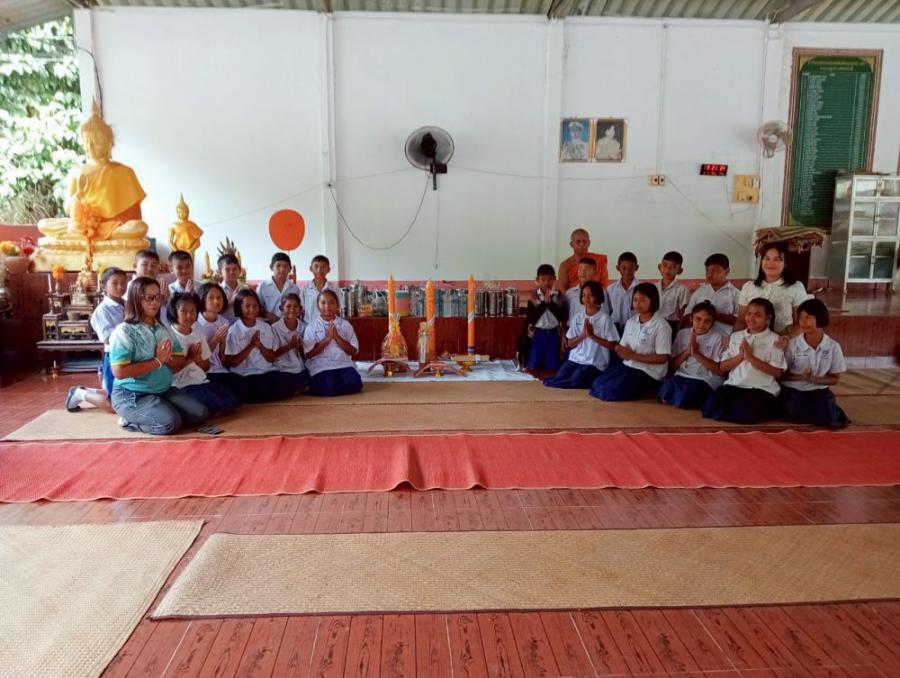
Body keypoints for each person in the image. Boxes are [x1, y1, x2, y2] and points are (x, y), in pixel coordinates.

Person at [108, 276, 209, 435]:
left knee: (200, 414)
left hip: (163, 390)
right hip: (132, 394)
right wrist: (157, 361)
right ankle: (129, 420)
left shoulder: (163, 329)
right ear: (136, 299)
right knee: (169, 424)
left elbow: (178, 359)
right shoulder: (124, 331)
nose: (155, 302)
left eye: (158, 297)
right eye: (149, 298)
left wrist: (169, 359)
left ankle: (161, 410)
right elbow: (119, 372)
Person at [701, 298, 786, 424]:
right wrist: (740, 357)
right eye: (749, 313)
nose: (751, 318)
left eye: (758, 315)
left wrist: (751, 358)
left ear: (767, 318)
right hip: (734, 385)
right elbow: (723, 367)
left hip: (761, 388)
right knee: (709, 408)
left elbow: (777, 372)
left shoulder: (776, 340)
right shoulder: (736, 337)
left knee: (745, 411)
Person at [590, 282, 671, 401]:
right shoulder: (631, 322)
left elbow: (663, 358)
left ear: (653, 301)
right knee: (597, 384)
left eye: (642, 300)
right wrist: (619, 349)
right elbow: (622, 348)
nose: (637, 303)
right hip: (629, 366)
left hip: (648, 372)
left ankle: (652, 388)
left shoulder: (661, 325)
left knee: (611, 391)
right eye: (635, 299)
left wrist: (632, 355)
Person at [166, 293, 240, 418]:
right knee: (214, 406)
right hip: (181, 384)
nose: (189, 315)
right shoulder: (168, 335)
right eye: (184, 311)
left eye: (193, 311)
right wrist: (190, 359)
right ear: (174, 311)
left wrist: (198, 360)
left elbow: (206, 366)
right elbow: (170, 371)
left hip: (201, 380)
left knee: (232, 400)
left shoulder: (197, 333)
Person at [779, 298, 850, 428]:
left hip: (819, 389)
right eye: (801, 318)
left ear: (820, 319)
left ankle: (829, 410)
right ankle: (825, 409)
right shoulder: (793, 344)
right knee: (794, 412)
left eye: (808, 317)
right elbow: (781, 375)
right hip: (794, 389)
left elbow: (835, 378)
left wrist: (814, 379)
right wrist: (801, 377)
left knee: (829, 421)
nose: (803, 322)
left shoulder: (833, 346)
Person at [66, 266, 127, 412]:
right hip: (115, 357)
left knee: (125, 394)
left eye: (123, 283)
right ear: (103, 286)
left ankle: (85, 390)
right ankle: (79, 394)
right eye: (115, 283)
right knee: (115, 405)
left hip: (130, 355)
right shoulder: (102, 311)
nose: (120, 287)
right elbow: (108, 339)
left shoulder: (127, 304)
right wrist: (128, 324)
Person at [225, 288, 296, 402]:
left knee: (284, 385)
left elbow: (271, 358)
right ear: (239, 308)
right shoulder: (233, 330)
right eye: (247, 306)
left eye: (255, 306)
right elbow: (232, 363)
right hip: (243, 374)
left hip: (265, 371)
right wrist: (251, 345)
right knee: (242, 389)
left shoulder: (265, 327)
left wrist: (260, 346)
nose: (252, 309)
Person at [544, 281, 618, 389]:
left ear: (598, 296)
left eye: (590, 295)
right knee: (560, 377)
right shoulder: (578, 317)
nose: (586, 298)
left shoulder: (605, 319)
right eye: (584, 295)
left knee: (577, 380)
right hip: (576, 359)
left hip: (594, 362)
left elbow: (613, 346)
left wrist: (592, 336)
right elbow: (570, 343)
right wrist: (583, 335)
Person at [658, 302, 725, 409]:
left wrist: (697, 354)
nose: (702, 324)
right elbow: (672, 366)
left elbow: (720, 371)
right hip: (683, 375)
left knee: (688, 394)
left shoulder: (718, 338)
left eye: (707, 321)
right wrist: (687, 352)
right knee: (664, 389)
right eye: (698, 319)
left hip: (704, 379)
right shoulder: (682, 334)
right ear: (691, 318)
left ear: (713, 323)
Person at [736, 243, 808, 336]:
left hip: (784, 341)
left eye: (777, 259)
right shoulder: (748, 287)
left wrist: (782, 337)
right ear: (762, 261)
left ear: (786, 263)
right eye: (767, 258)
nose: (770, 263)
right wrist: (732, 339)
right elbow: (741, 321)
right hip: (751, 341)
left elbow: (801, 323)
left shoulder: (796, 287)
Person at [303, 289, 363, 397]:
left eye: (331, 302)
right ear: (318, 306)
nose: (327, 306)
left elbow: (354, 351)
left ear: (337, 305)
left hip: (343, 365)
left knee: (356, 383)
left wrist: (336, 337)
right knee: (329, 386)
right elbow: (309, 354)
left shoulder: (345, 325)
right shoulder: (311, 327)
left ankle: (328, 387)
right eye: (323, 303)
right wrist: (327, 339)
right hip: (321, 367)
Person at [195, 282, 243, 396]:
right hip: (203, 372)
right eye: (211, 298)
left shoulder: (223, 322)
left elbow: (223, 360)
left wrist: (222, 346)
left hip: (220, 370)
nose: (216, 301)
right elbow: (198, 359)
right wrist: (215, 340)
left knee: (243, 389)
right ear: (202, 300)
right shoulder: (195, 323)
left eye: (219, 297)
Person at [523, 264, 567, 373]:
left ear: (555, 279)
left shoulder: (560, 297)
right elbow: (532, 318)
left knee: (552, 367)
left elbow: (562, 316)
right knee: (533, 366)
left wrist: (550, 303)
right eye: (543, 279)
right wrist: (544, 303)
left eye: (550, 279)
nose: (546, 282)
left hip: (553, 334)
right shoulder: (533, 297)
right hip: (537, 334)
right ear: (537, 280)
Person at [684, 253, 740, 335]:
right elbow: (687, 315)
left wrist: (715, 315)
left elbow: (740, 320)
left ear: (727, 271)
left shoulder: (736, 294)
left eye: (715, 271)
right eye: (707, 271)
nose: (709, 274)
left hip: (724, 338)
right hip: (699, 339)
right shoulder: (700, 291)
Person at [271, 293, 310, 395]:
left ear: (301, 309)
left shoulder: (304, 327)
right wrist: (290, 346)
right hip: (282, 368)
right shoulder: (275, 328)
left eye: (296, 306)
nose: (292, 309)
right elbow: (273, 354)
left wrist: (300, 347)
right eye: (288, 306)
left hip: (300, 368)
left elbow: (307, 355)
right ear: (281, 308)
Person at [602, 251, 640, 336]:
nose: (627, 271)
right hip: (614, 327)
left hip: (635, 327)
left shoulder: (641, 288)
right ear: (617, 268)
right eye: (623, 268)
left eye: (631, 268)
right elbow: (605, 310)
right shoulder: (610, 289)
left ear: (636, 268)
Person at [257, 252, 300, 322]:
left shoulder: (295, 289)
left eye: (285, 266)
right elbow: (257, 307)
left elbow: (297, 309)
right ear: (271, 267)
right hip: (267, 324)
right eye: (278, 265)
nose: (282, 269)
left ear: (290, 269)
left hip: (287, 325)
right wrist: (267, 314)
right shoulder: (263, 286)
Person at [655, 250, 690, 336]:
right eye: (665, 265)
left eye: (673, 267)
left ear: (680, 271)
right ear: (659, 267)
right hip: (653, 323)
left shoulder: (682, 289)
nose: (668, 269)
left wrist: (679, 331)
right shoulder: (653, 287)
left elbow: (683, 314)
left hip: (671, 325)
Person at [301, 254, 339, 324]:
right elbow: (302, 311)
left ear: (328, 269)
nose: (319, 270)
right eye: (316, 266)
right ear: (311, 269)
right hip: (309, 325)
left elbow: (338, 309)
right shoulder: (305, 289)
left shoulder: (334, 289)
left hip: (329, 325)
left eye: (323, 267)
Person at [217, 253, 243, 325]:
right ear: (220, 272)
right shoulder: (217, 290)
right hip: (225, 327)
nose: (231, 272)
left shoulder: (245, 289)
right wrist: (230, 302)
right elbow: (213, 310)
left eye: (235, 269)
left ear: (240, 270)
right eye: (227, 269)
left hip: (243, 328)